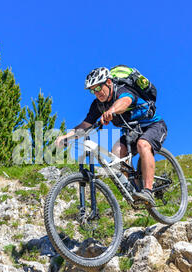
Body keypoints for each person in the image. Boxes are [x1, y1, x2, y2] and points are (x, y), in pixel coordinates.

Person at [55, 67, 167, 206]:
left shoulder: (122, 90)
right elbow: (85, 125)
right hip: (132, 133)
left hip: (153, 125)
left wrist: (112, 110)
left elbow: (125, 101)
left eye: (98, 88)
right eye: (92, 90)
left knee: (143, 144)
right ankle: (137, 192)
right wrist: (66, 136)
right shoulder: (98, 105)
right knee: (116, 154)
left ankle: (148, 191)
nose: (96, 93)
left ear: (108, 82)